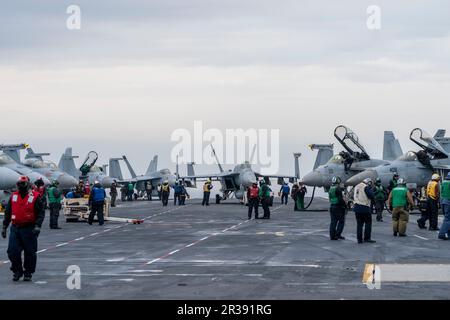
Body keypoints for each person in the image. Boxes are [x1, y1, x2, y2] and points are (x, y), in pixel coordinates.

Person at [1, 176, 45, 282]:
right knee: (12, 251)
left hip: (29, 229)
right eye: (19, 184)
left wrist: (38, 226)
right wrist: (4, 226)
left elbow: (40, 213)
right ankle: (17, 271)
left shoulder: (35, 196)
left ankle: (28, 272)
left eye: (23, 184)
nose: (20, 186)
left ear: (28, 185)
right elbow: (8, 213)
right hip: (15, 228)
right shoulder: (13, 196)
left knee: (30, 252)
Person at [353, 178, 376, 244]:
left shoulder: (357, 186)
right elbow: (371, 196)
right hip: (365, 207)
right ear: (368, 183)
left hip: (356, 207)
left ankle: (359, 239)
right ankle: (367, 238)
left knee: (359, 224)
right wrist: (372, 190)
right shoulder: (365, 187)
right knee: (368, 223)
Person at [438, 173, 450, 240]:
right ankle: (441, 234)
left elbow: (441, 192)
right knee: (448, 219)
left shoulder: (444, 182)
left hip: (443, 201)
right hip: (448, 202)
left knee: (447, 218)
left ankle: (449, 234)